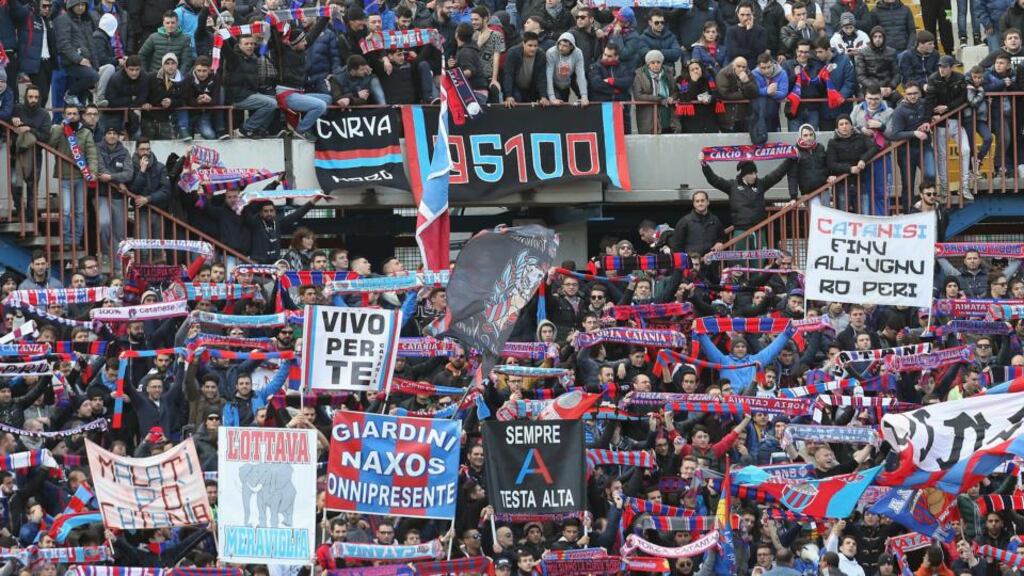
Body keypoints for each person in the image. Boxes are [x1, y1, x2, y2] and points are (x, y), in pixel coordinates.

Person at [700, 154, 795, 251]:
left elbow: (777, 174)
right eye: (752, 173)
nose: (755, 176)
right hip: (740, 230)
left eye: (755, 173)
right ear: (744, 175)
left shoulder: (761, 184)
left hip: (759, 229)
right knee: (739, 262)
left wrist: (790, 159)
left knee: (759, 262)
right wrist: (704, 165)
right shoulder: (732, 186)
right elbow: (714, 180)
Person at [49, 104, 97, 248]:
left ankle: (76, 240)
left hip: (81, 177)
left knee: (80, 211)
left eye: (74, 114)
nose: (71, 116)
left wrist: (93, 172)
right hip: (64, 176)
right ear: (64, 116)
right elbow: (51, 144)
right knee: (65, 210)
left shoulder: (86, 132)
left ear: (79, 116)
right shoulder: (59, 130)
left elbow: (92, 153)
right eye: (68, 113)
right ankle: (67, 240)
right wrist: (61, 128)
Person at [886, 81, 935, 213]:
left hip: (924, 146)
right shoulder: (899, 110)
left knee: (931, 176)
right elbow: (895, 134)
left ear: (919, 93)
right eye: (909, 94)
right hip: (906, 150)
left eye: (915, 93)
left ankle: (929, 207)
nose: (912, 96)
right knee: (908, 183)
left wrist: (929, 120)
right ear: (904, 94)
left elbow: (931, 111)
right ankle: (909, 213)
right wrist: (914, 133)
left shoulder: (924, 104)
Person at [926, 54, 969, 197]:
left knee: (966, 150)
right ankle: (944, 187)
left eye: (944, 67)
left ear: (951, 67)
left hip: (956, 120)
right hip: (940, 123)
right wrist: (932, 115)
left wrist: (946, 108)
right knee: (942, 155)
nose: (941, 69)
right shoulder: (933, 78)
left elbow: (963, 98)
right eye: (940, 66)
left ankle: (965, 185)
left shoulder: (959, 77)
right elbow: (930, 99)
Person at [223, 34, 280, 138]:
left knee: (276, 101)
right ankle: (245, 129)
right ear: (239, 45)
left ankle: (259, 130)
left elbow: (270, 44)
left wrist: (275, 29)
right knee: (271, 103)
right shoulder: (234, 58)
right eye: (246, 44)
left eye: (252, 44)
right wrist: (222, 36)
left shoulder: (253, 56)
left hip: (250, 94)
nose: (250, 46)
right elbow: (226, 49)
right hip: (238, 97)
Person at [850, 82, 893, 214]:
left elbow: (892, 134)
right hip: (863, 156)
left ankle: (882, 223)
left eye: (876, 99)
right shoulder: (858, 109)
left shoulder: (889, 111)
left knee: (882, 191)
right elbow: (849, 127)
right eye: (870, 99)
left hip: (882, 155)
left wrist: (881, 126)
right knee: (865, 192)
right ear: (865, 97)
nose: (872, 102)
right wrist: (861, 129)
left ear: (881, 97)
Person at [10, 84, 49, 220]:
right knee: (15, 185)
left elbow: (45, 136)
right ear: (25, 97)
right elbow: (8, 122)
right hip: (17, 153)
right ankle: (20, 212)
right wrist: (12, 119)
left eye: (36, 97)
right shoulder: (17, 108)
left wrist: (29, 129)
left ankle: (31, 218)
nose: (33, 99)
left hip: (35, 154)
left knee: (32, 188)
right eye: (30, 97)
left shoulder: (44, 114)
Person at [826, 114, 879, 213]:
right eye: (841, 124)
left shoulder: (861, 137)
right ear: (837, 127)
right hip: (842, 185)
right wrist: (849, 169)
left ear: (851, 125)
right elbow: (831, 163)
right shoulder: (833, 142)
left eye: (847, 123)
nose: (844, 126)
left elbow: (874, 148)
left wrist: (863, 159)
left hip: (861, 183)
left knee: (864, 216)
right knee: (843, 216)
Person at [95, 126, 133, 256]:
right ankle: (106, 254)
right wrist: (119, 180)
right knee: (103, 224)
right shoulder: (97, 148)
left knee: (120, 233)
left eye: (115, 133)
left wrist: (111, 178)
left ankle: (118, 266)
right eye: (109, 133)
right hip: (101, 194)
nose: (112, 136)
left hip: (119, 196)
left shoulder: (124, 152)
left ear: (118, 136)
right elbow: (100, 169)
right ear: (104, 136)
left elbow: (129, 174)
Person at [54, 0, 98, 107]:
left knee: (82, 102)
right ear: (71, 5)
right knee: (93, 76)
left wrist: (96, 65)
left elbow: (91, 44)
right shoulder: (63, 19)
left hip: (85, 62)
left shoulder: (86, 20)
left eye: (83, 5)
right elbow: (63, 44)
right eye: (78, 4)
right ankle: (70, 94)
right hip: (71, 63)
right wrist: (79, 59)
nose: (80, 7)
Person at [669, 190, 726, 256]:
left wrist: (719, 242)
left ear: (708, 202)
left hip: (711, 262)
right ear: (694, 204)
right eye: (697, 201)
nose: (700, 203)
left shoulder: (715, 220)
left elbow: (722, 236)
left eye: (702, 200)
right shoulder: (684, 221)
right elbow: (676, 245)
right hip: (691, 263)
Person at [633, 49, 677, 134]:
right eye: (652, 63)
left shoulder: (668, 73)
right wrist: (659, 99)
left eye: (658, 62)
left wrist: (672, 97)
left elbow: (675, 91)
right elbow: (638, 95)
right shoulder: (640, 75)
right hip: (649, 115)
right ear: (648, 64)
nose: (656, 65)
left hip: (667, 113)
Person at [855, 26, 901, 105]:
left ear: (884, 38)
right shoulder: (862, 53)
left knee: (900, 101)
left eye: (880, 36)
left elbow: (897, 74)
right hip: (869, 88)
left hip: (887, 88)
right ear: (871, 38)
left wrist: (890, 87)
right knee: (861, 101)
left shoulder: (892, 52)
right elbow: (860, 76)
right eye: (875, 36)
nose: (878, 39)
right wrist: (876, 88)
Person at [503, 31, 548, 105]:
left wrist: (543, 96)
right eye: (530, 45)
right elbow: (508, 74)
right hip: (515, 87)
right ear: (523, 44)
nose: (533, 49)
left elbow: (542, 77)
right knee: (516, 99)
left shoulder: (541, 55)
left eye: (535, 46)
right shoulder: (513, 52)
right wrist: (508, 95)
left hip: (532, 88)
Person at [715, 56, 758, 133]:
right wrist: (745, 94)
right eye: (738, 66)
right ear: (733, 65)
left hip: (744, 116)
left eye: (744, 67)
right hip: (727, 116)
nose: (741, 69)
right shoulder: (723, 73)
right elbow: (725, 94)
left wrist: (746, 82)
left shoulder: (748, 74)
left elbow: (754, 93)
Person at [676, 59, 719, 133]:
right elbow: (685, 97)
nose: (695, 71)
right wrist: (693, 82)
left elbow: (717, 93)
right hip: (692, 121)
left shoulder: (709, 79)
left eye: (697, 68)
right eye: (692, 70)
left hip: (708, 118)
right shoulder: (684, 81)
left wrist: (710, 98)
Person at [545, 32, 588, 104]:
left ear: (571, 47)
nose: (561, 48)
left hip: (567, 82)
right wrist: (552, 97)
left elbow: (580, 74)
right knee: (557, 103)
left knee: (564, 103)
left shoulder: (578, 53)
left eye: (565, 46)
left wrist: (584, 96)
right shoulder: (551, 52)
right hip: (554, 83)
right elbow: (548, 76)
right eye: (560, 44)